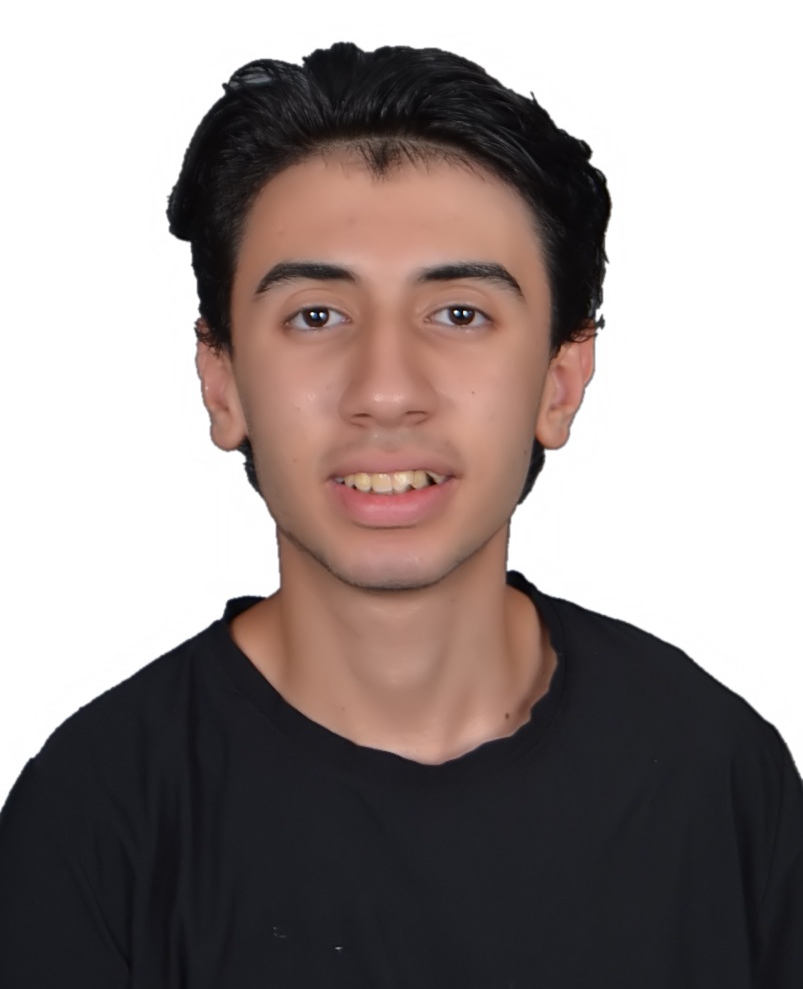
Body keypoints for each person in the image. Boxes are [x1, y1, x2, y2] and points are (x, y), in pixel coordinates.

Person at [0, 40, 800, 987]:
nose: (385, 392)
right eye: (316, 316)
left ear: (560, 379)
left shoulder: (717, 774)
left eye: (459, 314)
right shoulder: (94, 818)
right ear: (222, 382)